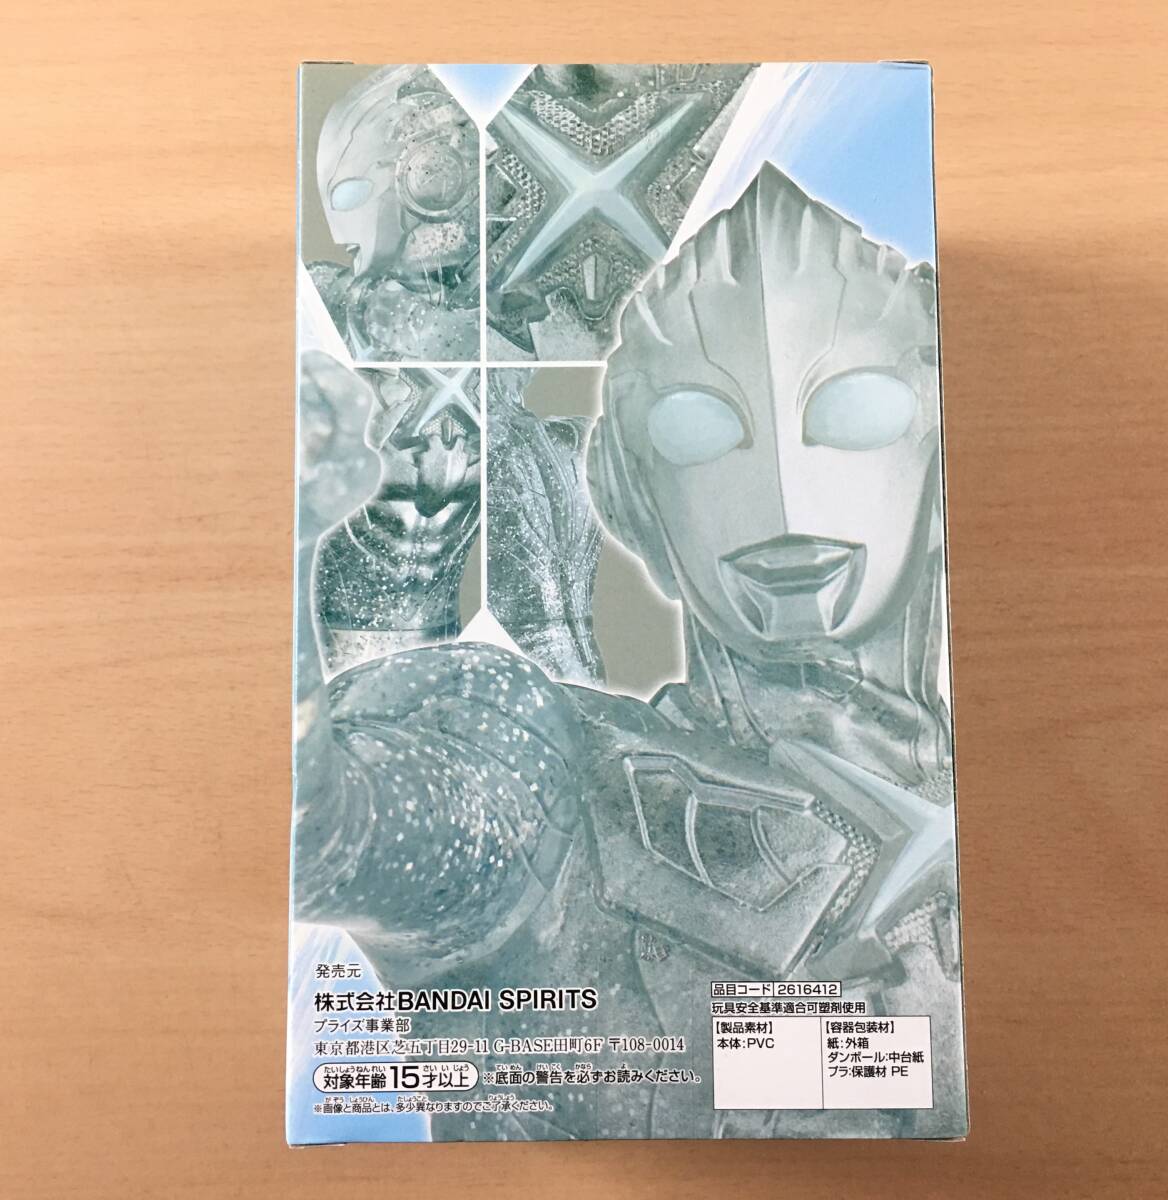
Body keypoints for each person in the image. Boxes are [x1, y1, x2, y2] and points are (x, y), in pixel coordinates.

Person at [293, 163, 964, 1140]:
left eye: (856, 411)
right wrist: (314, 547)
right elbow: (309, 825)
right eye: (697, 427)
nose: (782, 485)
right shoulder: (542, 768)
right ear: (626, 492)